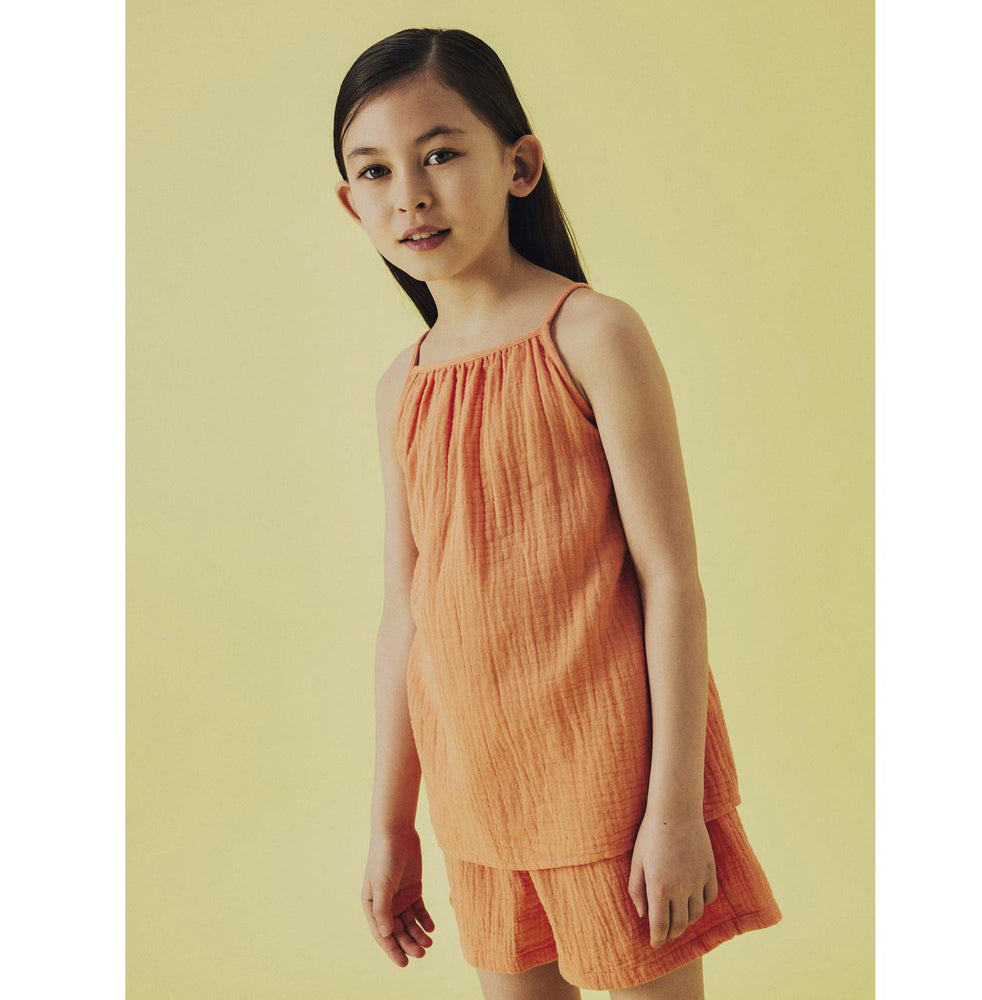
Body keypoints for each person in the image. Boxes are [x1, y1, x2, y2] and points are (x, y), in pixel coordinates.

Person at [333, 27, 783, 1000]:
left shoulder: (592, 334)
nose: (409, 193)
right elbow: (404, 617)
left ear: (520, 165)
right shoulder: (400, 387)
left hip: (615, 786)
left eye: (439, 153)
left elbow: (671, 580)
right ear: (350, 202)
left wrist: (674, 810)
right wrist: (389, 824)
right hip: (478, 795)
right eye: (375, 171)